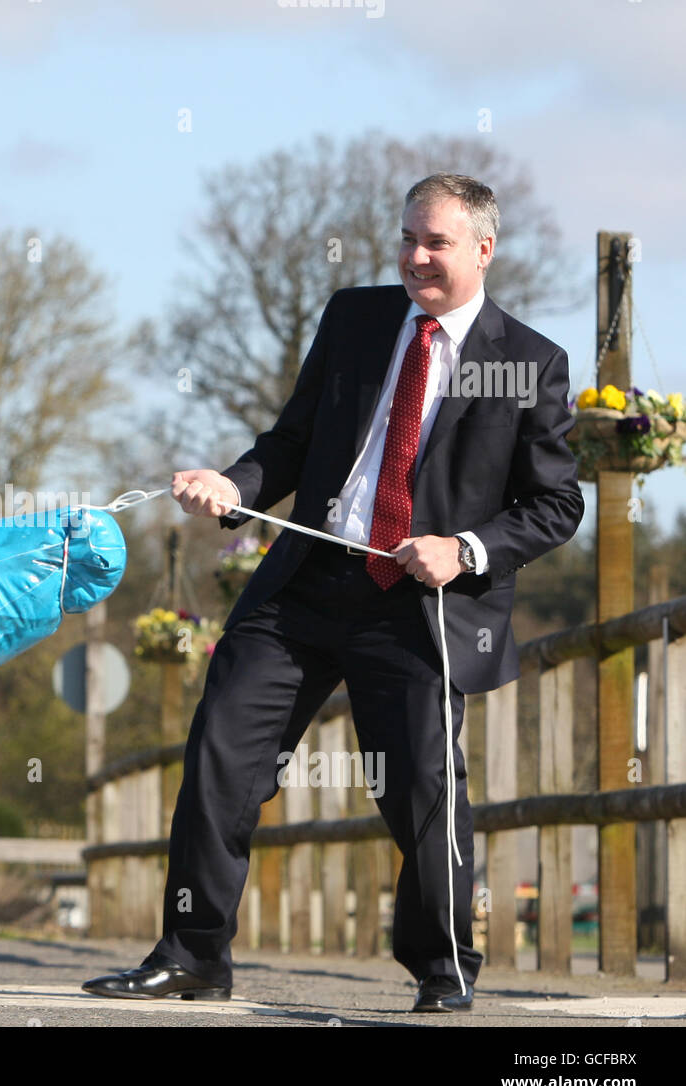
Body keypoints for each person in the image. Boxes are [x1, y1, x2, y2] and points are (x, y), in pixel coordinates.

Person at [83, 173, 584, 1012]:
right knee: (220, 752)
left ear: (484, 250)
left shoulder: (530, 363)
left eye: (437, 243)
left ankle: (442, 966)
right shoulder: (355, 319)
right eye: (407, 238)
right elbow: (292, 441)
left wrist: (464, 548)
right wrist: (234, 483)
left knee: (420, 788)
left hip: (419, 607)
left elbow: (557, 504)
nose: (415, 257)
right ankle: (194, 952)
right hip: (306, 587)